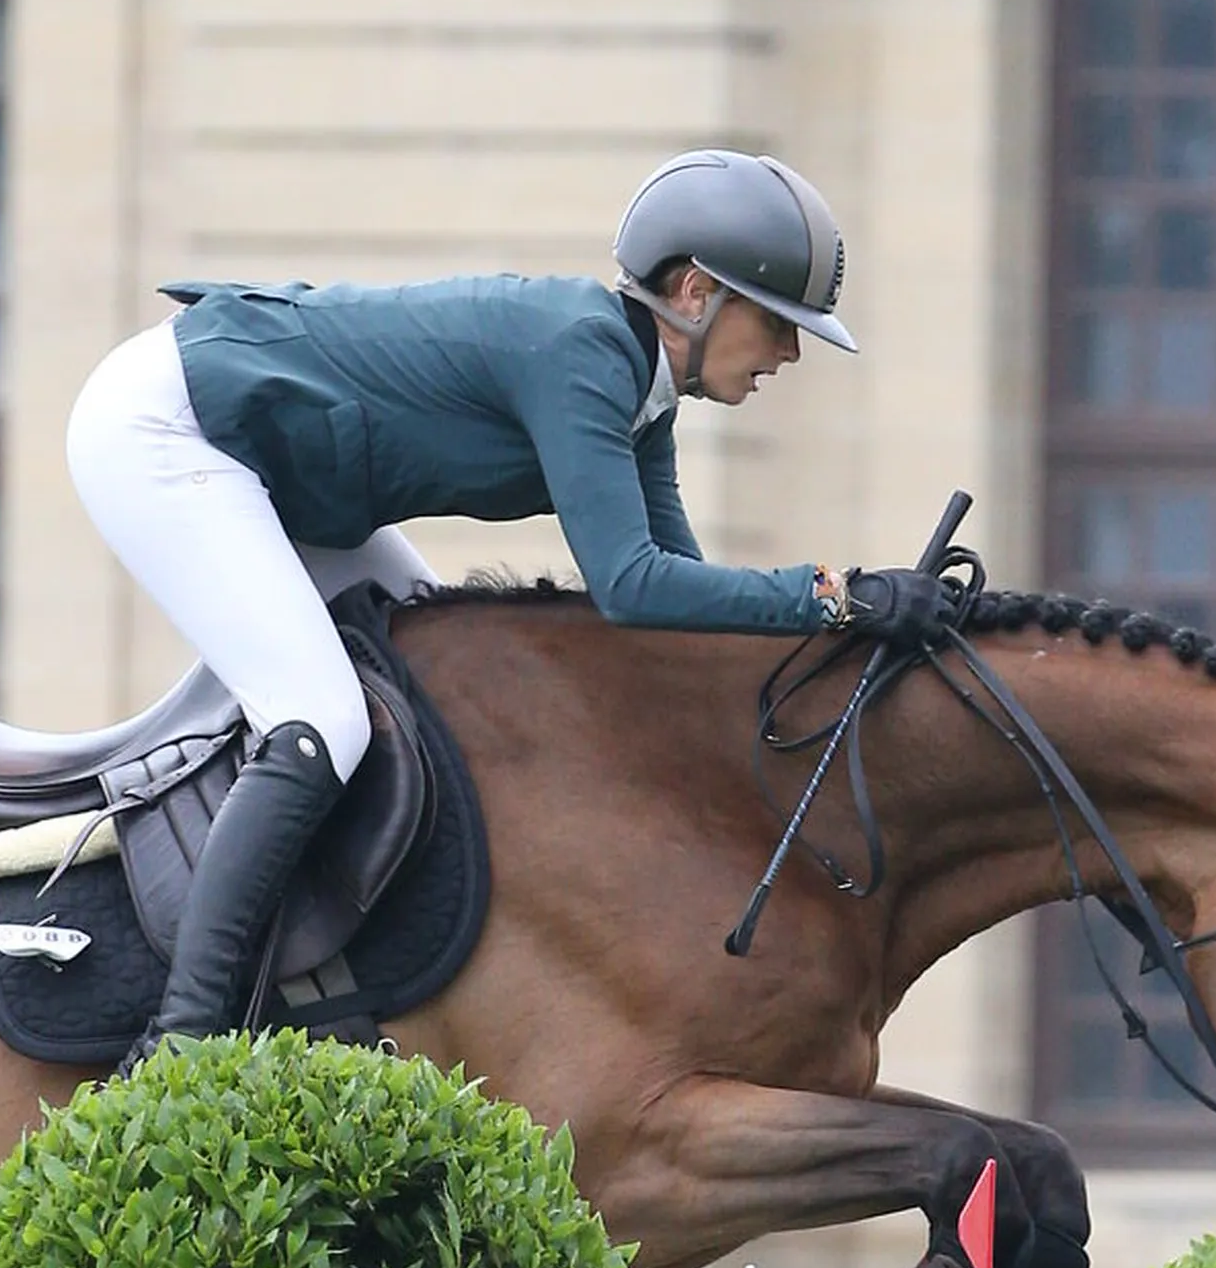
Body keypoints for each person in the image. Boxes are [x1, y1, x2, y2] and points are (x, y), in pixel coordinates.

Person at [65, 150, 957, 1045]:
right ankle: (178, 1037)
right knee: (322, 721)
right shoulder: (585, 354)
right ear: (693, 291)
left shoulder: (640, 396)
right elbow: (633, 586)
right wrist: (837, 595)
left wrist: (858, 627)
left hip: (275, 464)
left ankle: (351, 981)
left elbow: (683, 617)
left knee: (435, 682)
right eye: (775, 322)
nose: (789, 352)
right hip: (167, 428)